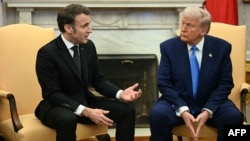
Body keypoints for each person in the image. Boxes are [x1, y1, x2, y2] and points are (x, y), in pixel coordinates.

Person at [34, 3, 142, 141]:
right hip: (57, 106)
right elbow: (52, 94)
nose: (90, 30)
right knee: (68, 119)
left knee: (127, 111)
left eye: (89, 25)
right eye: (84, 26)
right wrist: (85, 111)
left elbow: (98, 81)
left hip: (85, 101)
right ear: (68, 28)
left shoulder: (88, 46)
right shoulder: (47, 53)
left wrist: (120, 94)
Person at [149, 6, 243, 141]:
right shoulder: (168, 47)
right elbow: (164, 83)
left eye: (189, 25)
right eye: (182, 23)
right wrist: (182, 109)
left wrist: (208, 110)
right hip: (178, 101)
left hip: (210, 101)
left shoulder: (221, 48)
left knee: (235, 117)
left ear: (203, 31)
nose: (183, 29)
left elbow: (225, 84)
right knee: (157, 115)